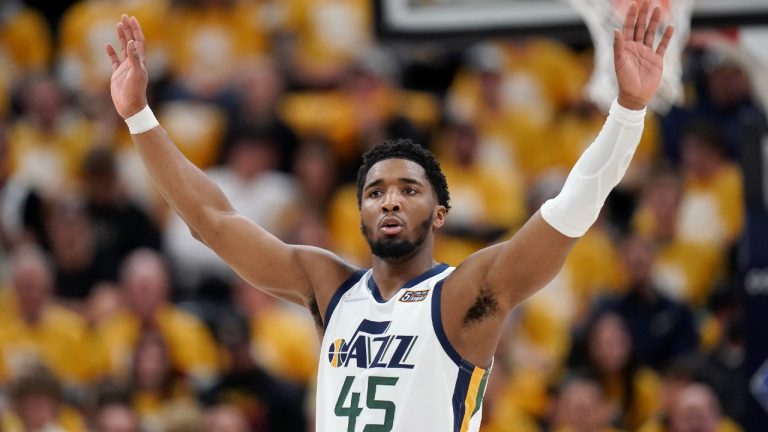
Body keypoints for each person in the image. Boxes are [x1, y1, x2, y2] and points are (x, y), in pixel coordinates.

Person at [104, 3, 673, 430]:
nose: (390, 200)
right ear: (359, 214)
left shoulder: (464, 296)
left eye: (408, 189)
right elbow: (213, 221)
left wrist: (627, 111)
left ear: (440, 212)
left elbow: (570, 210)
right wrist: (138, 117)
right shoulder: (329, 288)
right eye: (375, 192)